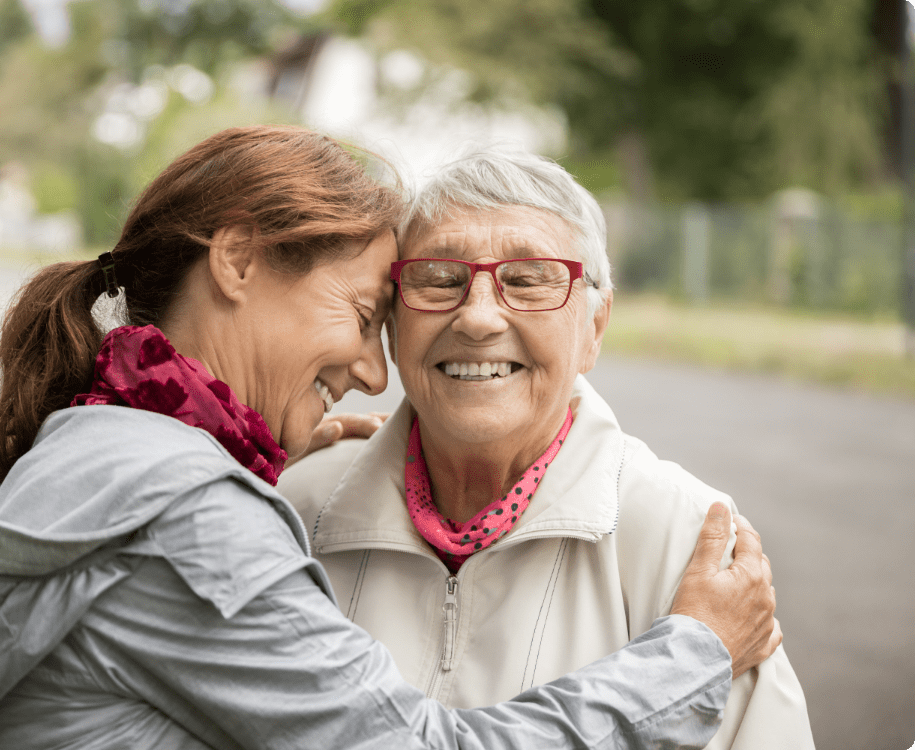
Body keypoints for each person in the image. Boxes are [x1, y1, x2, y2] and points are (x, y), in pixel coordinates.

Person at [0, 126, 779, 750]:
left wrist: (241, 483)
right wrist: (693, 654)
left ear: (596, 320)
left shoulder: (104, 448)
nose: (371, 368)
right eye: (368, 312)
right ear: (237, 261)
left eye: (530, 282)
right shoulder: (196, 517)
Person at [279, 145, 814, 749]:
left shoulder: (688, 540)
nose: (478, 318)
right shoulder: (294, 509)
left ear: (595, 329)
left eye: (529, 281)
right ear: (394, 327)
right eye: (439, 279)